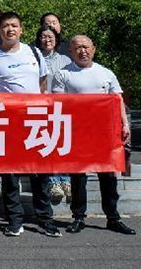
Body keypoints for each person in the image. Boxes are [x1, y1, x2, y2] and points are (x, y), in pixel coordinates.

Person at [0, 11, 59, 237]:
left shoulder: (34, 52)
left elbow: (42, 83)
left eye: (14, 25)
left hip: (34, 119)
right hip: (8, 123)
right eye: (5, 26)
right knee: (10, 175)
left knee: (40, 174)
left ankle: (45, 219)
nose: (10, 29)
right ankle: (14, 220)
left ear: (21, 29)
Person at [52, 35, 135, 235]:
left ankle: (113, 218)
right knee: (78, 177)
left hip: (105, 132)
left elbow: (117, 99)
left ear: (93, 49)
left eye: (86, 47)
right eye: (78, 48)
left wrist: (125, 124)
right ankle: (78, 217)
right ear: (70, 52)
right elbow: (58, 103)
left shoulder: (106, 73)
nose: (83, 51)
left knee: (108, 176)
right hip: (77, 132)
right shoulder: (63, 74)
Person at [34, 24, 73, 200]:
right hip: (41, 107)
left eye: (50, 37)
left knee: (61, 144)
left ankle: (66, 179)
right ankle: (53, 181)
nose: (47, 40)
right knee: (47, 144)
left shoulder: (65, 60)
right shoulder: (34, 58)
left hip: (61, 107)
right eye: (43, 36)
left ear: (56, 40)